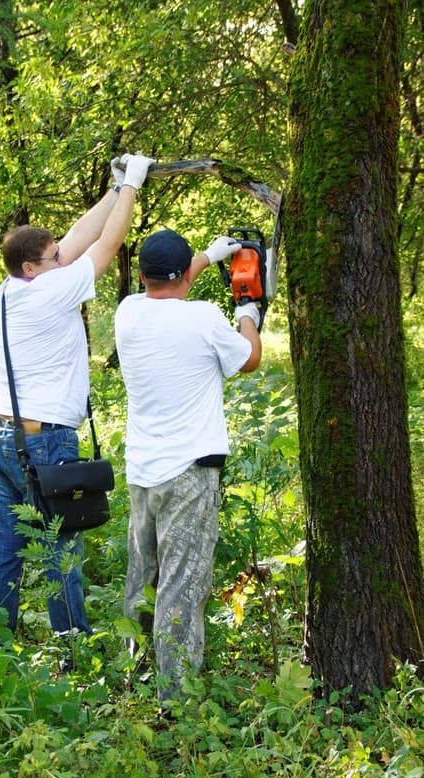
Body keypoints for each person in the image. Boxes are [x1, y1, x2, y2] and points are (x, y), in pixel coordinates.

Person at [0, 152, 155, 646]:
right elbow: (106, 244)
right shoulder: (49, 291)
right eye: (55, 258)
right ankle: (73, 648)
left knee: (5, 548)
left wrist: (116, 187)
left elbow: (79, 236)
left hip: (2, 436)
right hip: (42, 440)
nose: (65, 259)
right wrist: (135, 187)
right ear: (33, 268)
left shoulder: (12, 287)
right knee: (61, 547)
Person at [114, 228, 262, 704]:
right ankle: (175, 702)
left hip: (143, 471)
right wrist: (247, 314)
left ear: (141, 276)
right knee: (181, 585)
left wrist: (208, 256)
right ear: (184, 277)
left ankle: (131, 674)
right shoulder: (204, 319)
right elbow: (250, 359)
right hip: (190, 474)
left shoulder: (128, 312)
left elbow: (170, 291)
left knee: (144, 578)